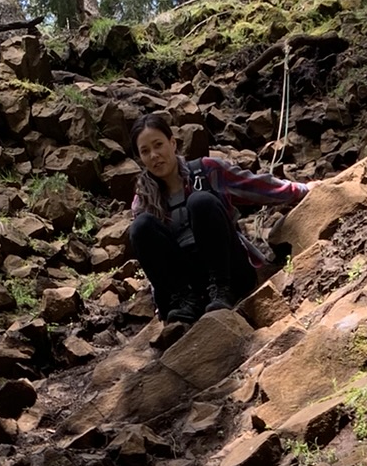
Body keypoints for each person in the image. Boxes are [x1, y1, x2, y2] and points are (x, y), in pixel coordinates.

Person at [128, 113, 311, 327]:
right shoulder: (143, 200)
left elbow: (255, 186)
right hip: (188, 287)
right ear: (140, 158)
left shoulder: (207, 170)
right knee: (140, 227)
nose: (154, 155)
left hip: (230, 273)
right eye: (145, 151)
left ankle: (222, 290)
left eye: (158, 145)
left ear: (172, 143)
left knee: (200, 202)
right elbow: (154, 258)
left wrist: (303, 189)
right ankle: (184, 300)